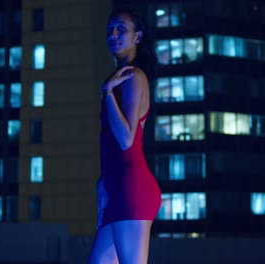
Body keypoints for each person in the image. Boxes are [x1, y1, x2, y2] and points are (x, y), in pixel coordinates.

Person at [88, 8, 161, 264]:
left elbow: (126, 139)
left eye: (122, 29)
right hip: (117, 188)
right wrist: (103, 181)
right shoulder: (120, 78)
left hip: (133, 189)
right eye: (109, 30)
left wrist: (107, 93)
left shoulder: (134, 76)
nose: (114, 35)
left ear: (138, 37)